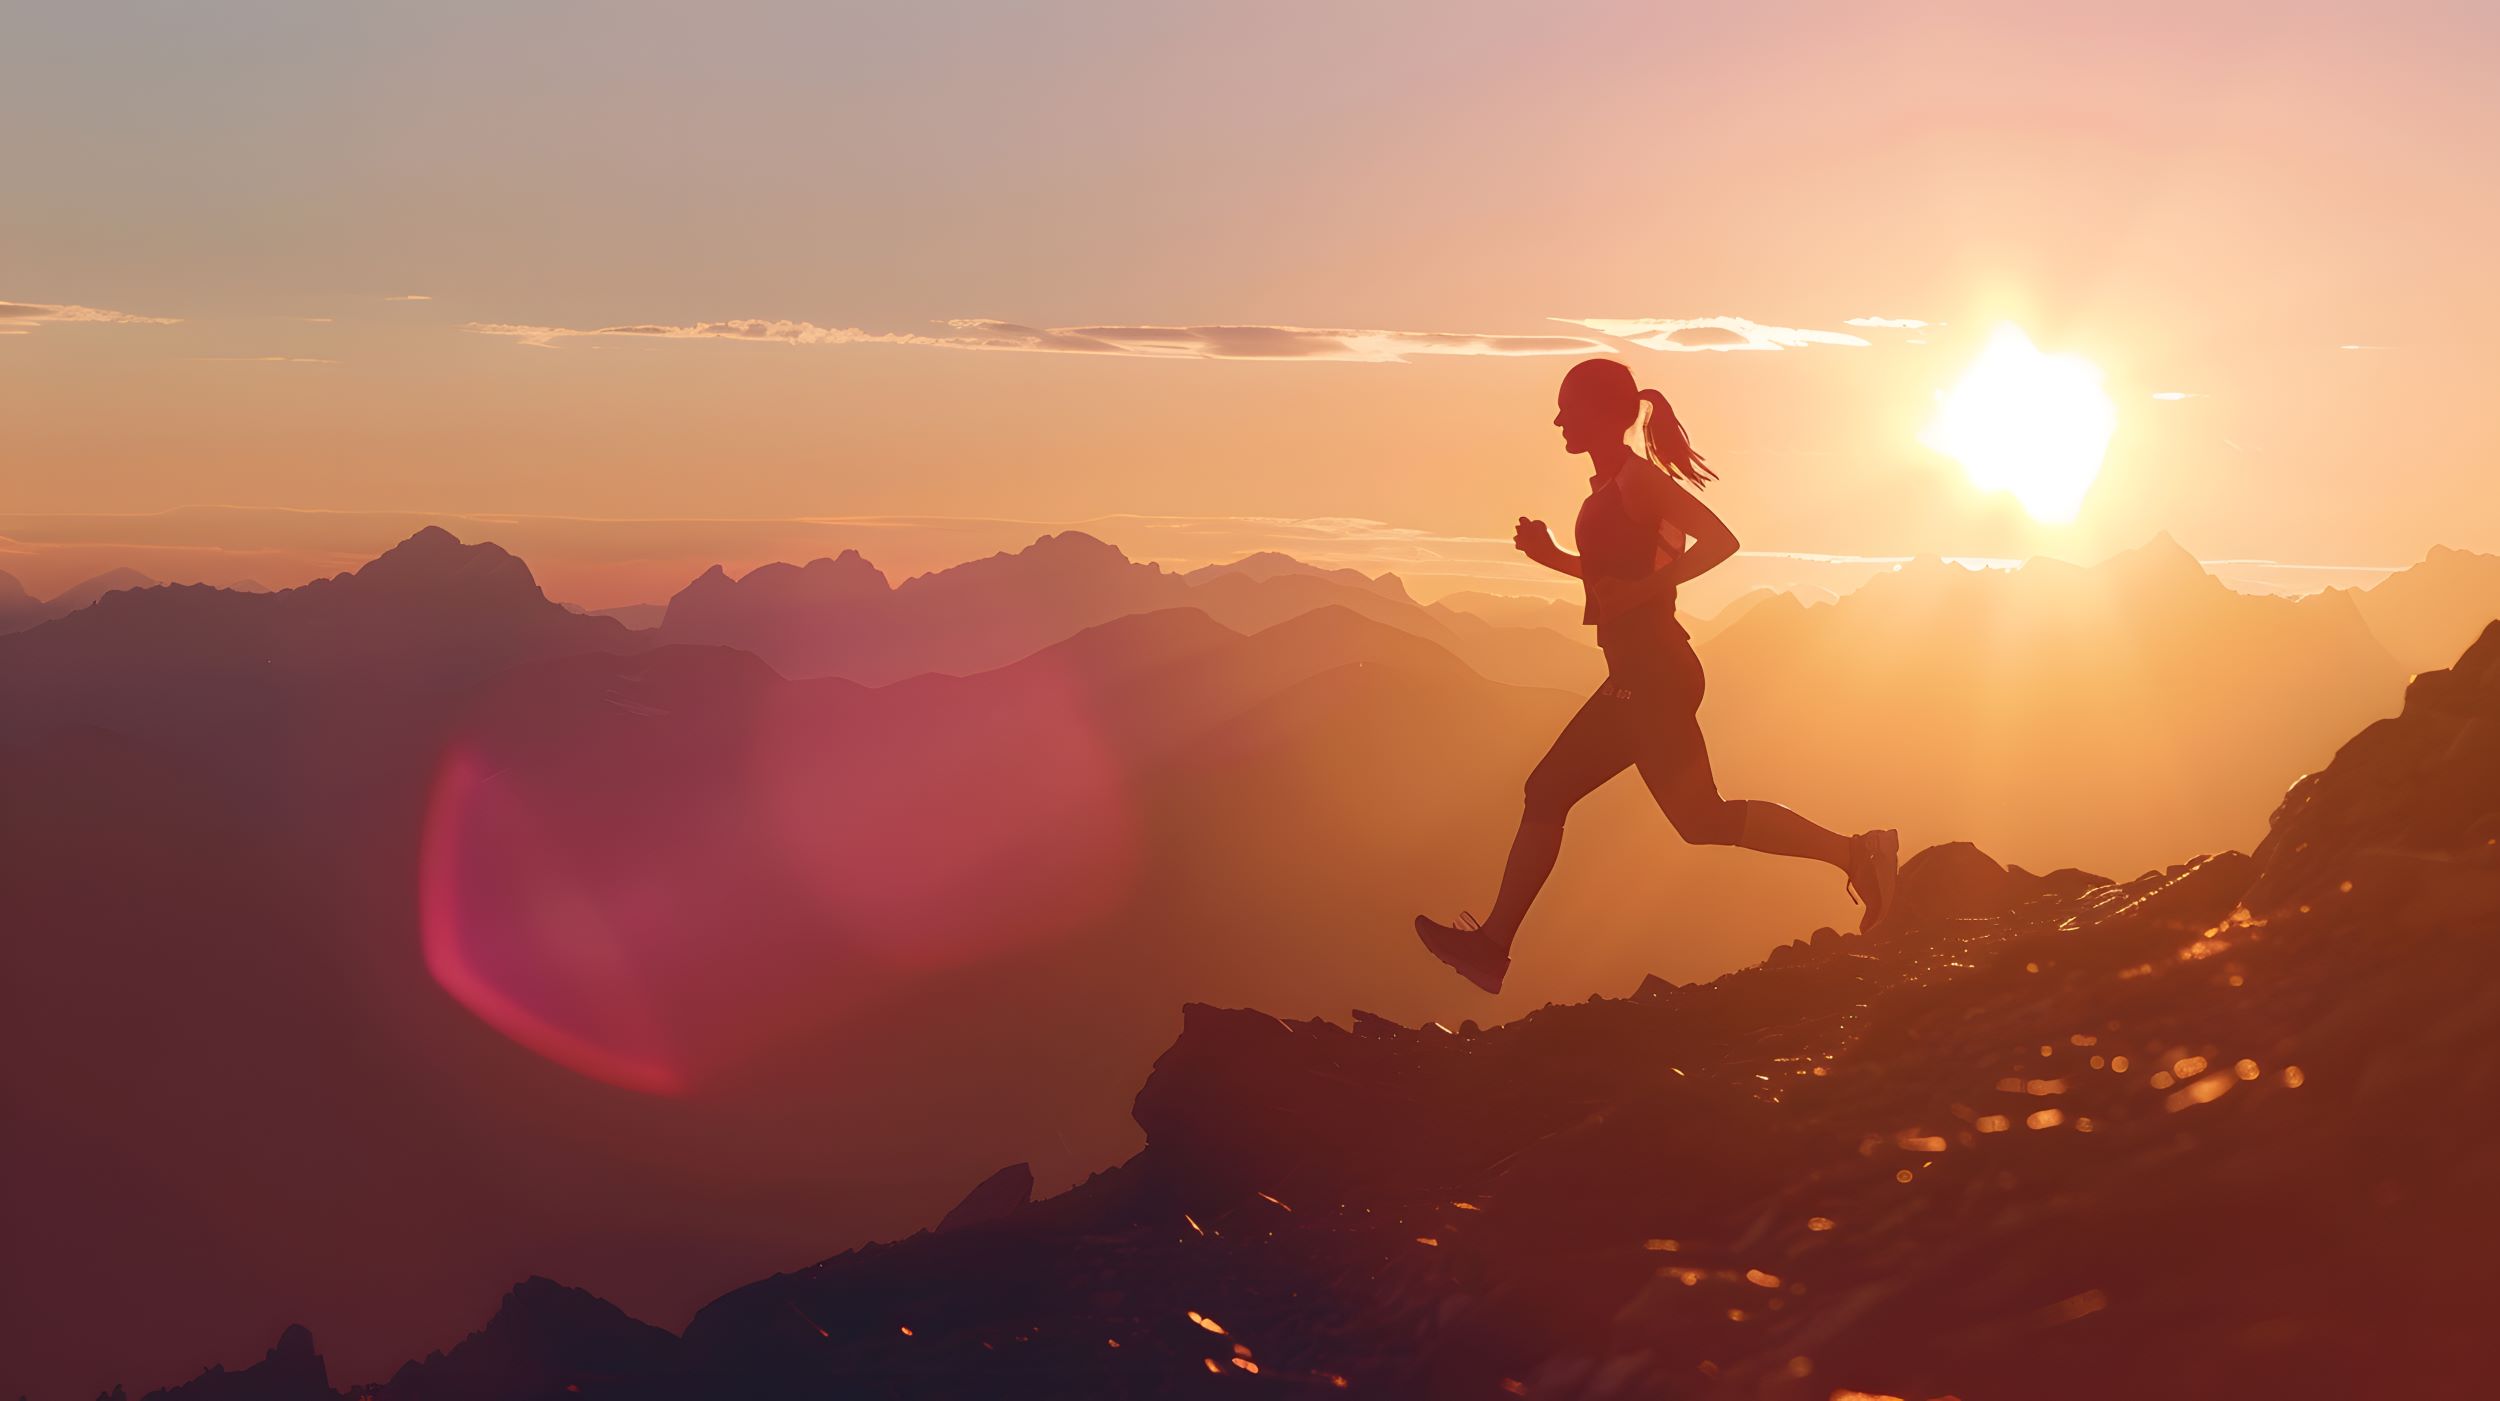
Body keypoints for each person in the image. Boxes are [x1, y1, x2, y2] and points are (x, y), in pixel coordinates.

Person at [1415, 358, 1898, 994]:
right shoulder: (1607, 489)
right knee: (1700, 820)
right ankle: (1857, 852)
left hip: (1654, 673)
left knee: (1551, 790)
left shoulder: (1637, 482)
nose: (1558, 418)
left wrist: (1645, 587)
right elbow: (1611, 589)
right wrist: (1551, 556)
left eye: (1570, 407)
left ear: (1609, 414)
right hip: (1645, 672)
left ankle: (1492, 948)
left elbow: (1721, 541)